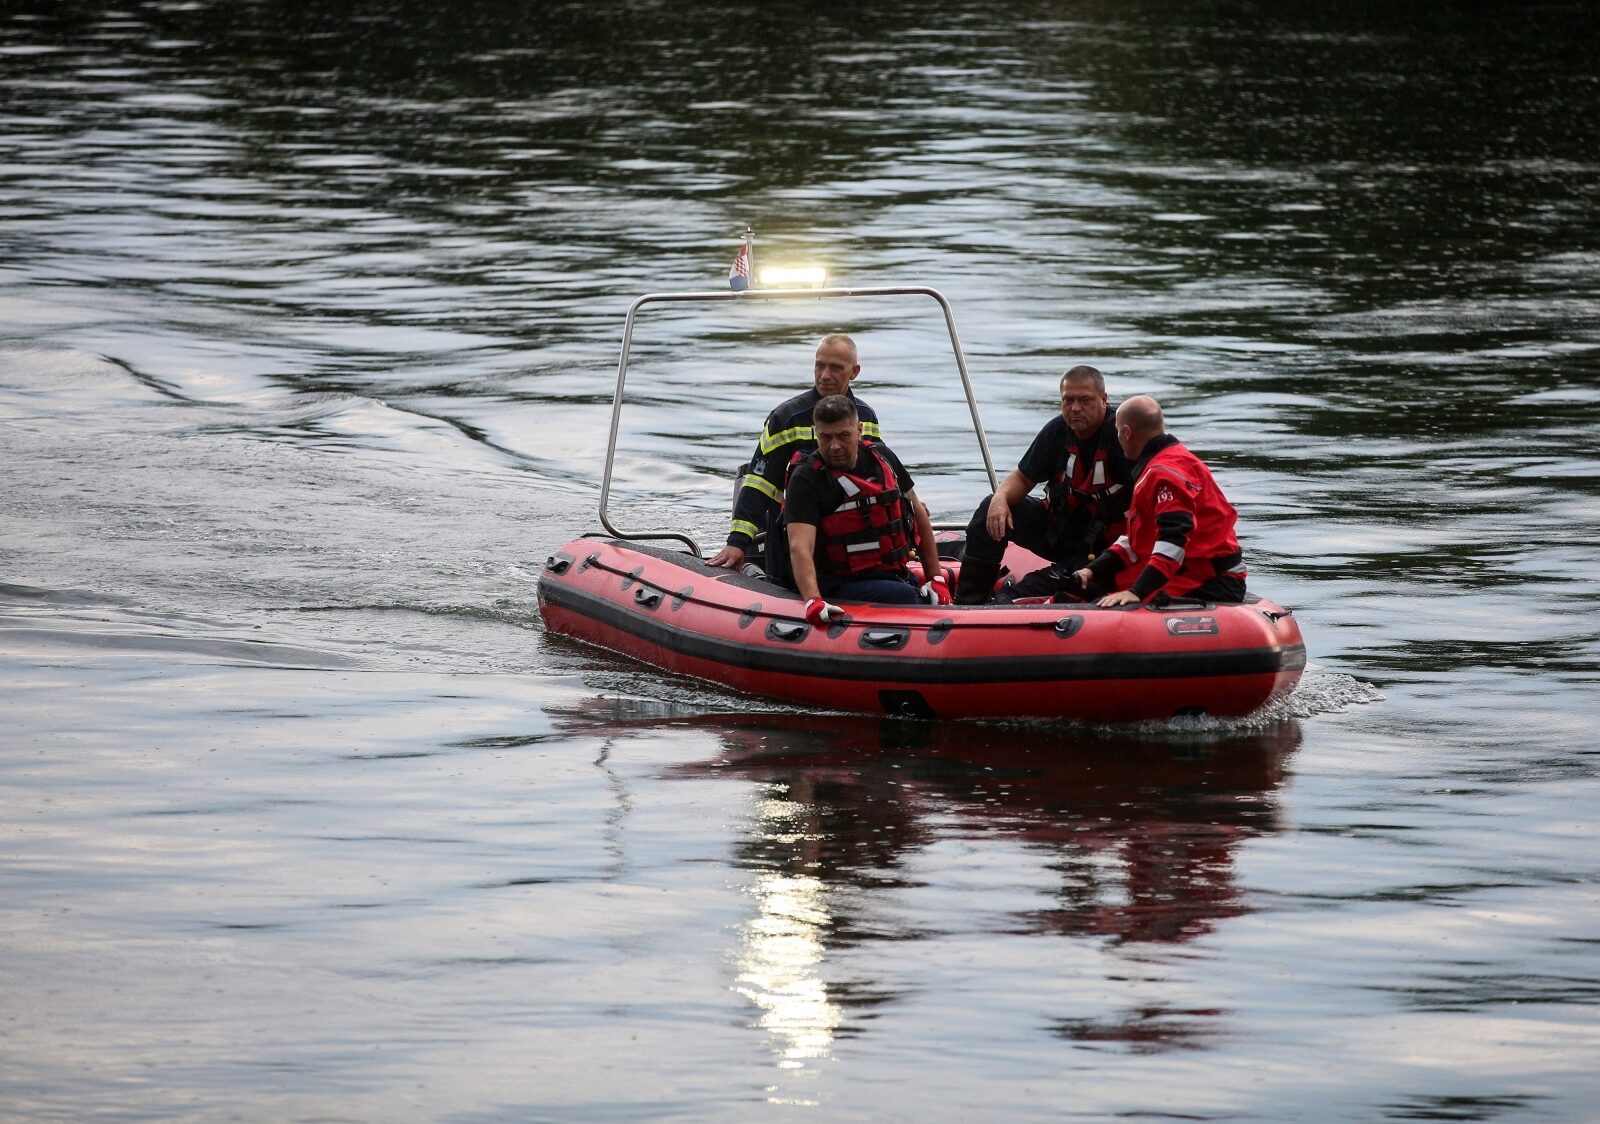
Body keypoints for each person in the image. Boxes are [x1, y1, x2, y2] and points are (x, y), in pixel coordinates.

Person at [953, 365, 1132, 604]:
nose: (1075, 408)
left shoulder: (1122, 438)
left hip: (1105, 548)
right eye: (1068, 400)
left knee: (1014, 596)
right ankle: (967, 604)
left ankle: (1006, 604)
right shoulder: (1057, 431)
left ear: (1103, 400)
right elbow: (1023, 478)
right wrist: (1000, 498)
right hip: (1059, 533)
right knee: (990, 507)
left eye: (1085, 400)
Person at [707, 334, 882, 573]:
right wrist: (737, 543)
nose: (824, 376)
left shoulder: (866, 416)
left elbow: (881, 477)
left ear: (854, 372)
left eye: (835, 368)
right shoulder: (787, 418)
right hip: (796, 537)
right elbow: (761, 483)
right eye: (819, 365)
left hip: (852, 538)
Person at [783, 395, 949, 622]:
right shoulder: (806, 479)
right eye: (825, 437)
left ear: (859, 429)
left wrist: (936, 578)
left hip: (891, 573)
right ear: (816, 433)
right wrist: (813, 598)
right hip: (839, 583)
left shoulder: (883, 457)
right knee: (906, 597)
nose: (834, 446)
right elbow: (800, 545)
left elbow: (917, 512)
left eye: (843, 436)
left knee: (926, 595)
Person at [1070, 395, 1247, 606]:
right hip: (1187, 568)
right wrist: (1092, 571)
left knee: (1105, 606)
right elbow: (1137, 540)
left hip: (1211, 579)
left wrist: (1137, 592)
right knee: (1082, 592)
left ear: (1126, 432)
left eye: (1118, 432)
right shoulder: (1164, 462)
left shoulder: (1164, 474)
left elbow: (1174, 538)